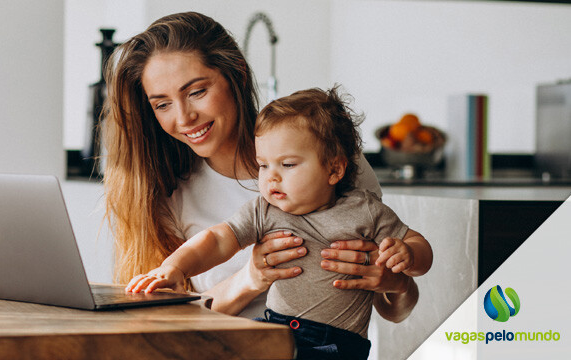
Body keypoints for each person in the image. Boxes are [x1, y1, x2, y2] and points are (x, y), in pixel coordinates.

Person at [102, 11, 419, 326]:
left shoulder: (327, 155)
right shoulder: (170, 192)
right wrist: (250, 278)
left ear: (237, 74)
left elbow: (395, 311)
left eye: (197, 92)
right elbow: (169, 324)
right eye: (162, 104)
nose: (184, 118)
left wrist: (396, 283)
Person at [126, 87, 434, 360]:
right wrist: (176, 267)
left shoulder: (364, 209)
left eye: (287, 165)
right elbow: (218, 239)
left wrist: (409, 254)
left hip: (335, 346)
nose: (271, 176)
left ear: (334, 169)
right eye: (263, 165)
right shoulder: (265, 209)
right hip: (274, 329)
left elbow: (419, 251)